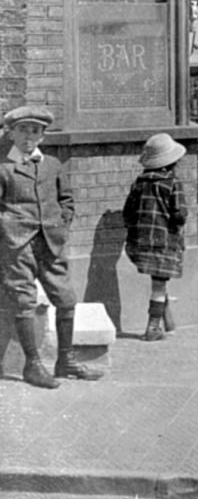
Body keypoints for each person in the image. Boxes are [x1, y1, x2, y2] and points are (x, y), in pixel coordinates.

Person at [0, 105, 101, 387]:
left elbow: (66, 200)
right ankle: (32, 366)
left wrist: (62, 225)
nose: (28, 137)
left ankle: (65, 361)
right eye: (22, 130)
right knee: (24, 302)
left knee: (67, 299)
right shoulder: (4, 167)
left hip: (51, 243)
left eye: (35, 131)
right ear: (11, 133)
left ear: (42, 135)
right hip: (17, 246)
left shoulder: (52, 164)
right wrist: (8, 229)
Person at [122, 134, 189, 342]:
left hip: (140, 242)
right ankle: (153, 327)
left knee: (159, 281)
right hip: (164, 241)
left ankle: (167, 322)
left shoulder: (139, 183)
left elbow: (128, 212)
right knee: (159, 285)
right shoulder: (172, 183)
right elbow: (180, 213)